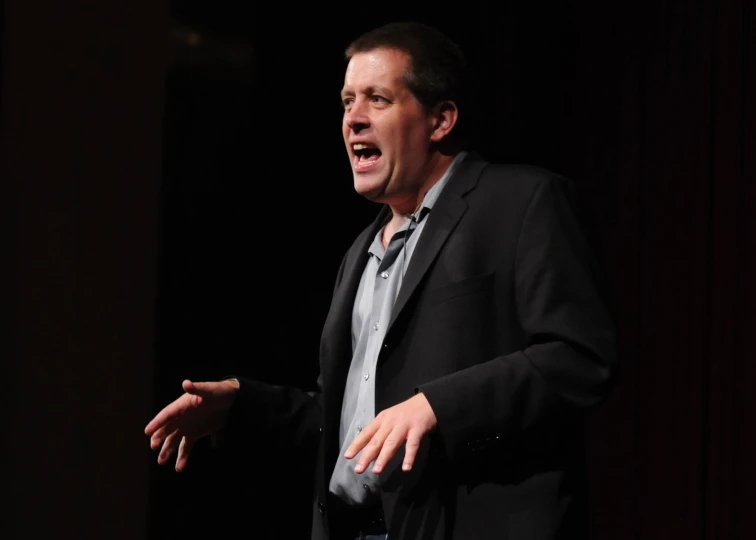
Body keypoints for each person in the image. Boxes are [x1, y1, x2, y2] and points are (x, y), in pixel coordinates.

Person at [144, 21, 619, 540]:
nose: (353, 119)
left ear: (440, 119)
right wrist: (243, 404)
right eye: (347, 101)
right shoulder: (360, 253)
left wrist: (438, 405)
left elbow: (580, 357)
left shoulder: (521, 202)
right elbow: (352, 425)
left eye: (378, 99)